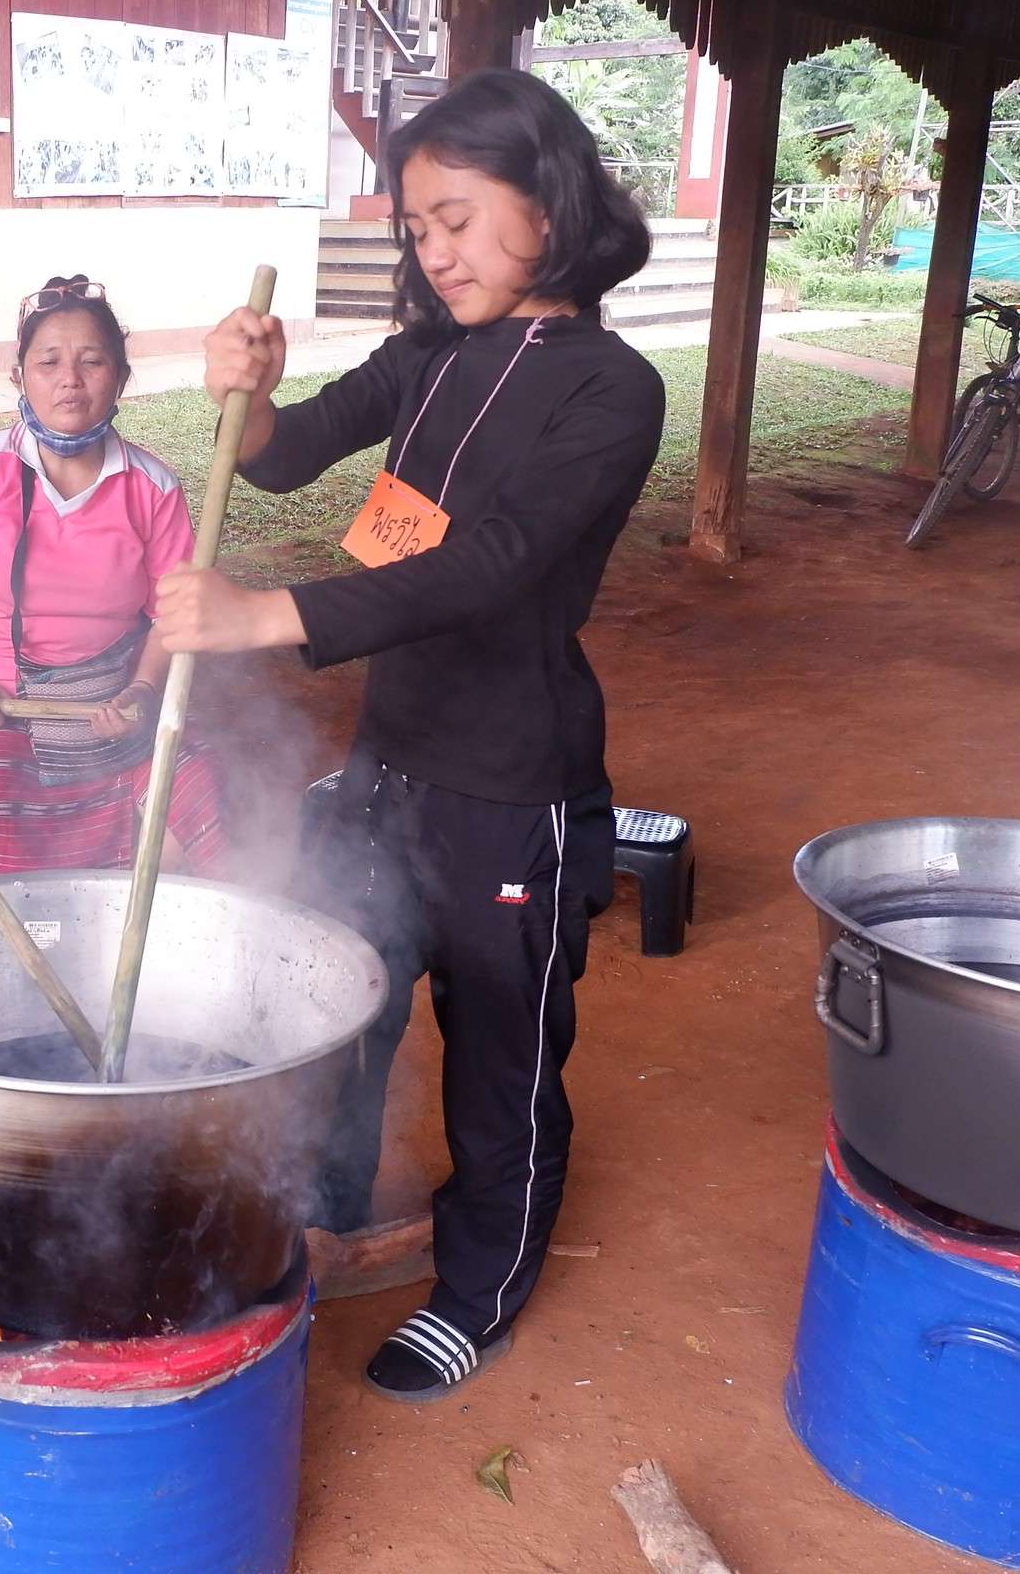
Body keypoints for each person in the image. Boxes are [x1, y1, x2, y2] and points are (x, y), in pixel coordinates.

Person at [157, 68, 663, 1404]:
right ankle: (324, 1215)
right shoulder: (429, 355)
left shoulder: (613, 390)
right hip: (385, 766)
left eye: (458, 218)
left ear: (548, 205)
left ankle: (479, 1288)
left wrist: (262, 616)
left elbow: (490, 567)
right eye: (418, 229)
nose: (435, 252)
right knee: (344, 1006)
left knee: (501, 1055)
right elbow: (284, 452)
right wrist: (249, 394)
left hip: (512, 788)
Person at [0, 276, 228, 886]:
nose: (70, 379)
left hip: (108, 704)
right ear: (20, 376)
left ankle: (112, 925)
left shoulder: (153, 486)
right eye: (49, 363)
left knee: (193, 796)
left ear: (120, 377)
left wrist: (143, 689)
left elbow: (173, 614)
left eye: (92, 362)